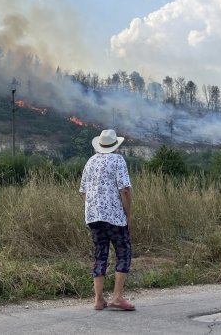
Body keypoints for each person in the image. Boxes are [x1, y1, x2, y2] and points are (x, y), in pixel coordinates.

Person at [79, 129, 135, 311]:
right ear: (115, 146)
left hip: (93, 217)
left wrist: (94, 209)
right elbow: (124, 190)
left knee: (100, 254)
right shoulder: (118, 160)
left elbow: (83, 192)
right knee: (123, 252)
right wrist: (128, 215)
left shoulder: (90, 161)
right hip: (114, 217)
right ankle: (117, 297)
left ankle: (98, 299)